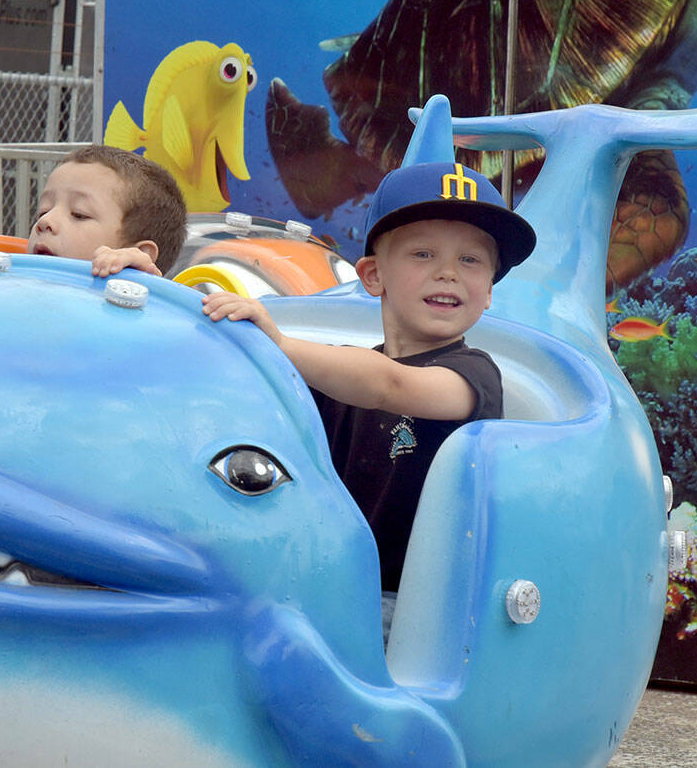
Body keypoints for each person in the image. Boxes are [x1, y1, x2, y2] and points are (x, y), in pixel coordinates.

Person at [201, 161, 536, 628]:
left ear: (488, 294)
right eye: (423, 254)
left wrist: (280, 344)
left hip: (418, 606)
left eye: (471, 260)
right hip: (325, 584)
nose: (448, 274)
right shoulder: (339, 374)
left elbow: (389, 384)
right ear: (374, 275)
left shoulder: (474, 374)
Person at [27, 145, 188, 277]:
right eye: (44, 211)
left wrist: (136, 282)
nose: (45, 221)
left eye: (79, 214)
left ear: (138, 253)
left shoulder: (137, 309)